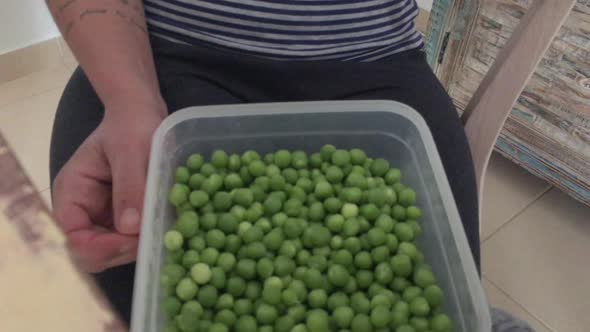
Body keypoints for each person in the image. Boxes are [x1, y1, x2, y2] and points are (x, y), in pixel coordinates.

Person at [47, 0, 507, 328]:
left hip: (375, 62)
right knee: (138, 291)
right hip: (157, 53)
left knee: (445, 301)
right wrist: (130, 99)